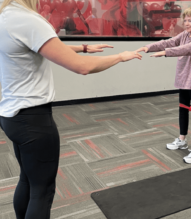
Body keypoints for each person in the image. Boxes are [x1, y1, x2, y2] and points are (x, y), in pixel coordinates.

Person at [0, 0, 142, 218]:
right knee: (42, 190)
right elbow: (82, 67)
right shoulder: (28, 19)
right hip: (33, 120)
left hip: (11, 115)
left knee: (28, 179)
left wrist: (83, 47)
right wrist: (120, 57)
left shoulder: (7, 15)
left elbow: (38, 44)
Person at [136, 6, 191, 164]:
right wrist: (149, 47)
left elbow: (189, 49)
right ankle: (182, 139)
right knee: (183, 109)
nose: (186, 23)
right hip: (184, 78)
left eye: (190, 20)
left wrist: (166, 52)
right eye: (185, 20)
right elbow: (168, 41)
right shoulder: (184, 34)